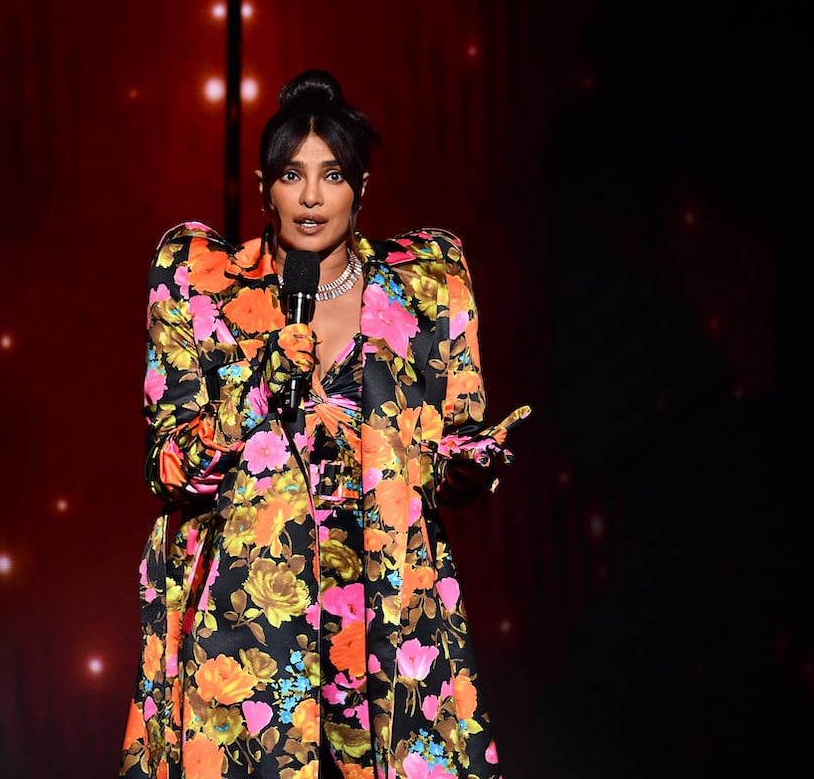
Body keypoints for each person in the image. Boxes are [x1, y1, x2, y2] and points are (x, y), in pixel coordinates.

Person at [121, 69, 530, 779]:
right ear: (262, 187)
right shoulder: (204, 286)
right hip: (251, 621)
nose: (311, 198)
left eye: (333, 175)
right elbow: (170, 468)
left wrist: (467, 462)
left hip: (384, 615)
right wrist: (256, 385)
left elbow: (452, 447)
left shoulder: (424, 284)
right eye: (291, 175)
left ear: (361, 187)